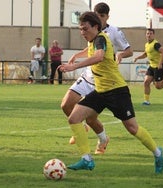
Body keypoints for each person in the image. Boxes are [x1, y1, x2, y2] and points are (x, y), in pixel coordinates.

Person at [58, 11, 163, 173]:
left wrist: (74, 66)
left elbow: (99, 57)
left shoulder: (101, 39)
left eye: (85, 29)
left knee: (132, 128)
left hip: (116, 91)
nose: (82, 32)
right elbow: (93, 53)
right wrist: (76, 56)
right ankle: (86, 159)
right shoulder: (93, 41)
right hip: (100, 91)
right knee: (74, 118)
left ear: (95, 26)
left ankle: (157, 153)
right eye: (80, 29)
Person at [61, 2, 133, 155]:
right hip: (88, 74)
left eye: (102, 16)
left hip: (103, 81)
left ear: (107, 17)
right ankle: (81, 129)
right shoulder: (90, 28)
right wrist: (77, 55)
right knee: (66, 105)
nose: (99, 19)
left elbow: (129, 50)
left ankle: (102, 139)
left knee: (91, 119)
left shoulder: (114, 32)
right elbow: (91, 48)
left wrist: (120, 54)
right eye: (96, 15)